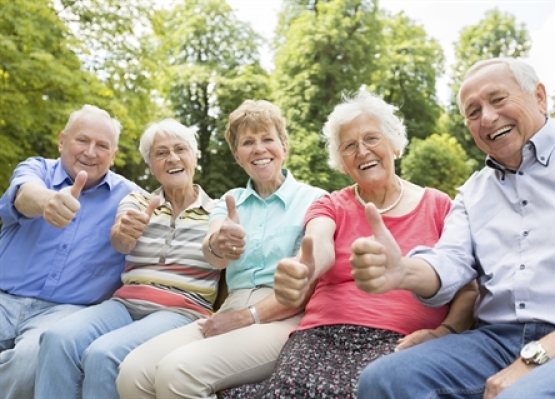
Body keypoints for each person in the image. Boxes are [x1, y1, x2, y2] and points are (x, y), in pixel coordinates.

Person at [351, 57, 555, 399]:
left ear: (540, 97)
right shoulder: (472, 193)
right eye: (473, 111)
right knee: (385, 379)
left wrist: (533, 360)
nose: (487, 117)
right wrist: (404, 271)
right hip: (496, 341)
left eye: (498, 99)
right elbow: (450, 261)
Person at [221, 91, 478, 398]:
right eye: (350, 146)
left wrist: (443, 333)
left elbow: (468, 289)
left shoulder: (439, 206)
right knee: (289, 388)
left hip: (400, 339)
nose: (362, 151)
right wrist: (306, 267)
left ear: (395, 143)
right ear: (342, 163)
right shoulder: (330, 205)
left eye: (372, 138)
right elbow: (319, 245)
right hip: (321, 335)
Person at [116, 100, 327, 399]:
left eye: (268, 139)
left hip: (285, 317)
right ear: (237, 156)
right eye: (248, 142)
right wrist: (220, 244)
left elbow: (308, 281)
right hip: (231, 307)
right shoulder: (230, 200)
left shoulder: (315, 199)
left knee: (179, 372)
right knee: (134, 371)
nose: (259, 149)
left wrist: (246, 317)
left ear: (284, 146)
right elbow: (213, 250)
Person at [33, 119, 218, 399]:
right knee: (57, 339)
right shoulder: (137, 201)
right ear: (151, 165)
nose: (172, 158)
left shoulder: (218, 211)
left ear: (194, 156)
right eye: (161, 153)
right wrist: (125, 232)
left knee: (103, 354)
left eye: (181, 149)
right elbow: (121, 240)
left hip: (180, 311)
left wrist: (223, 247)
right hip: (124, 304)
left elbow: (221, 254)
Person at [0, 105, 139, 399]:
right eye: (82, 140)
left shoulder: (131, 197)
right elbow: (24, 194)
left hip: (63, 312)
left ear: (113, 156)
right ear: (62, 140)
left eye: (102, 145)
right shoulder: (36, 169)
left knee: (29, 362)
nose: (90, 152)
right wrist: (49, 201)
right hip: (4, 298)